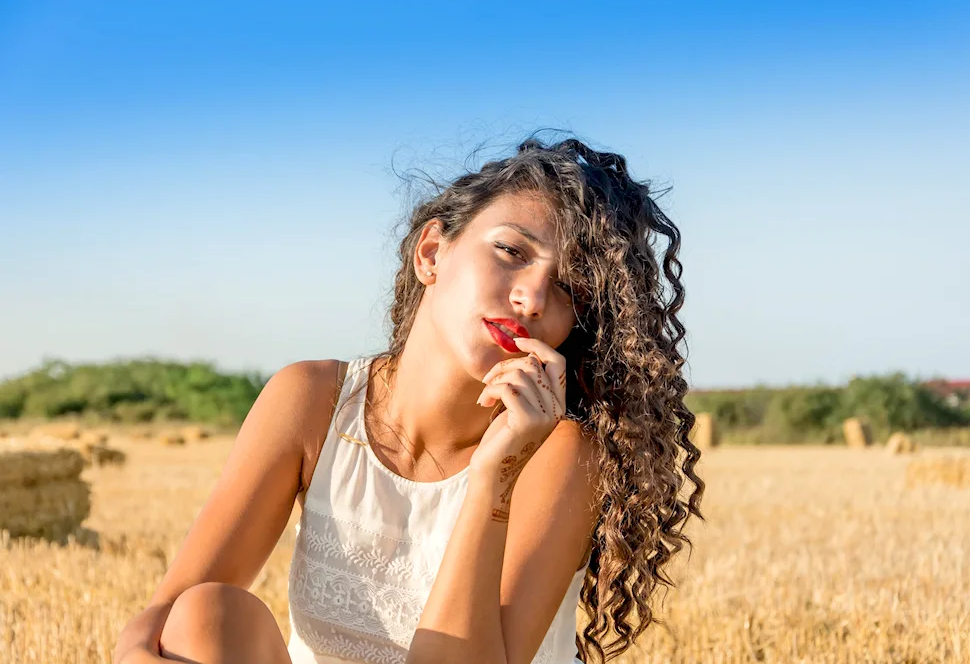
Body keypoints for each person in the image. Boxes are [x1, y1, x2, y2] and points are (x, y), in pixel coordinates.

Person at [113, 134, 706, 664]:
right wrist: (138, 650)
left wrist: (495, 478)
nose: (529, 297)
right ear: (431, 254)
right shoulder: (313, 400)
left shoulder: (563, 456)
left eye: (568, 287)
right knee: (203, 617)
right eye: (512, 252)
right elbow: (166, 615)